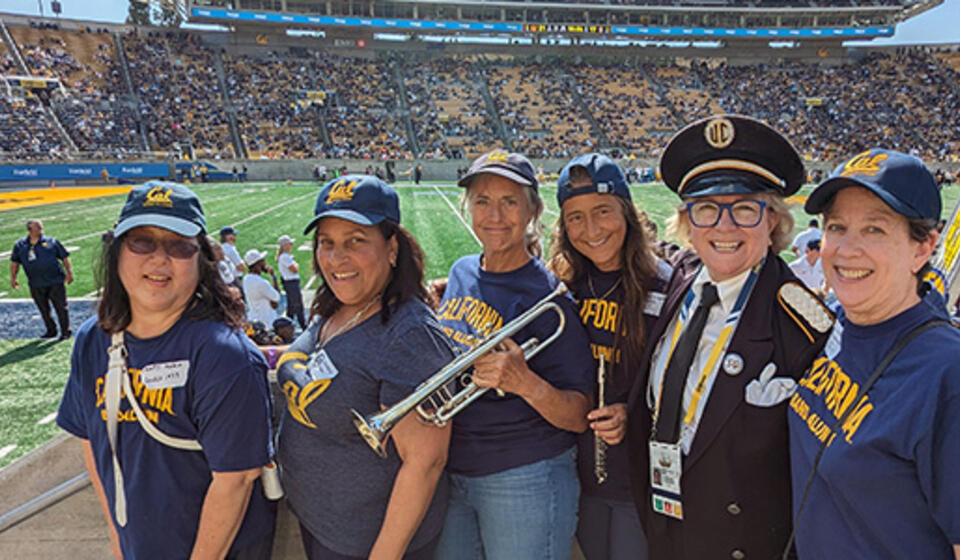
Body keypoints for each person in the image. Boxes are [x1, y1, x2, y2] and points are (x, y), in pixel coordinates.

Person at [625, 115, 834, 560]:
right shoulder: (682, 280)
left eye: (744, 207)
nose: (724, 226)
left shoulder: (802, 325)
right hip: (665, 524)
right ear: (687, 221)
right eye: (706, 208)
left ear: (773, 219)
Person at [55, 181, 276, 559]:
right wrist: (117, 534)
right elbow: (92, 438)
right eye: (141, 242)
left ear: (200, 260)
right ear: (117, 251)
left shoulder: (224, 356)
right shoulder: (95, 338)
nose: (159, 259)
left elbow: (237, 478)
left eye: (179, 246)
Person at [788, 149, 960, 559]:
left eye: (875, 230)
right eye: (837, 227)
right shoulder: (838, 324)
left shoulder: (947, 374)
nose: (846, 249)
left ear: (924, 247)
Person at [276, 175, 454, 559]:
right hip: (322, 523)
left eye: (356, 241)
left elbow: (426, 463)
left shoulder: (410, 337)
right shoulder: (335, 305)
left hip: (366, 544)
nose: (337, 258)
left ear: (392, 248)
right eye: (328, 243)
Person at [433, 150, 595, 560]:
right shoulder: (460, 272)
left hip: (525, 475)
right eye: (483, 201)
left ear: (532, 211)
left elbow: (578, 415)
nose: (495, 215)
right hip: (454, 472)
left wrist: (524, 382)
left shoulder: (550, 298)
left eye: (509, 201)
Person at [549, 153, 677, 560]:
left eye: (603, 211)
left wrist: (633, 411)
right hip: (571, 472)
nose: (591, 229)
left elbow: (684, 382)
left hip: (634, 477)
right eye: (575, 217)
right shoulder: (561, 283)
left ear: (627, 212)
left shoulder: (666, 282)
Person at [10, 219, 74, 339]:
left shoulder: (51, 242)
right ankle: (51, 330)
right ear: (30, 230)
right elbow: (15, 263)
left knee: (61, 307)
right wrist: (13, 277)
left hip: (55, 280)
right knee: (43, 309)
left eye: (41, 227)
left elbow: (64, 257)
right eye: (38, 228)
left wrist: (69, 272)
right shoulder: (20, 245)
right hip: (36, 282)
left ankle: (65, 331)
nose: (41, 230)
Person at [243, 249, 280, 326]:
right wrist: (274, 277)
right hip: (267, 322)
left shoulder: (246, 279)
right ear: (258, 264)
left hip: (254, 319)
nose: (265, 263)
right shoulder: (261, 283)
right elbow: (277, 298)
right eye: (262, 261)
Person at [277, 234, 306, 329]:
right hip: (291, 283)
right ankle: (303, 325)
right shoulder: (285, 257)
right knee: (298, 306)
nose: (291, 245)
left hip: (290, 283)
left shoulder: (285, 256)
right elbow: (295, 269)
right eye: (290, 244)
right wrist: (295, 263)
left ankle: (288, 325)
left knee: (292, 307)